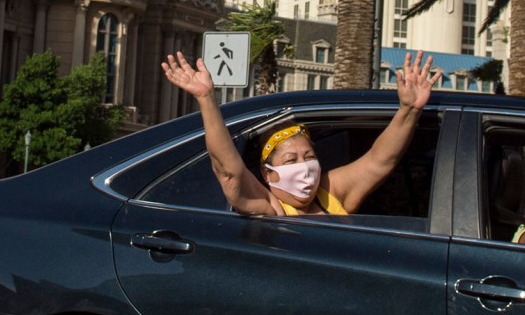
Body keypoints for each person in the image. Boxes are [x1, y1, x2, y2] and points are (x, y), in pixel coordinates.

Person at [159, 49, 439, 216]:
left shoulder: (330, 193)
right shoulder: (270, 205)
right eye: (290, 160)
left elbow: (380, 160)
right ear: (268, 173)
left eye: (309, 156)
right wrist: (207, 99)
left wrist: (409, 110)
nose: (304, 168)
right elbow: (229, 170)